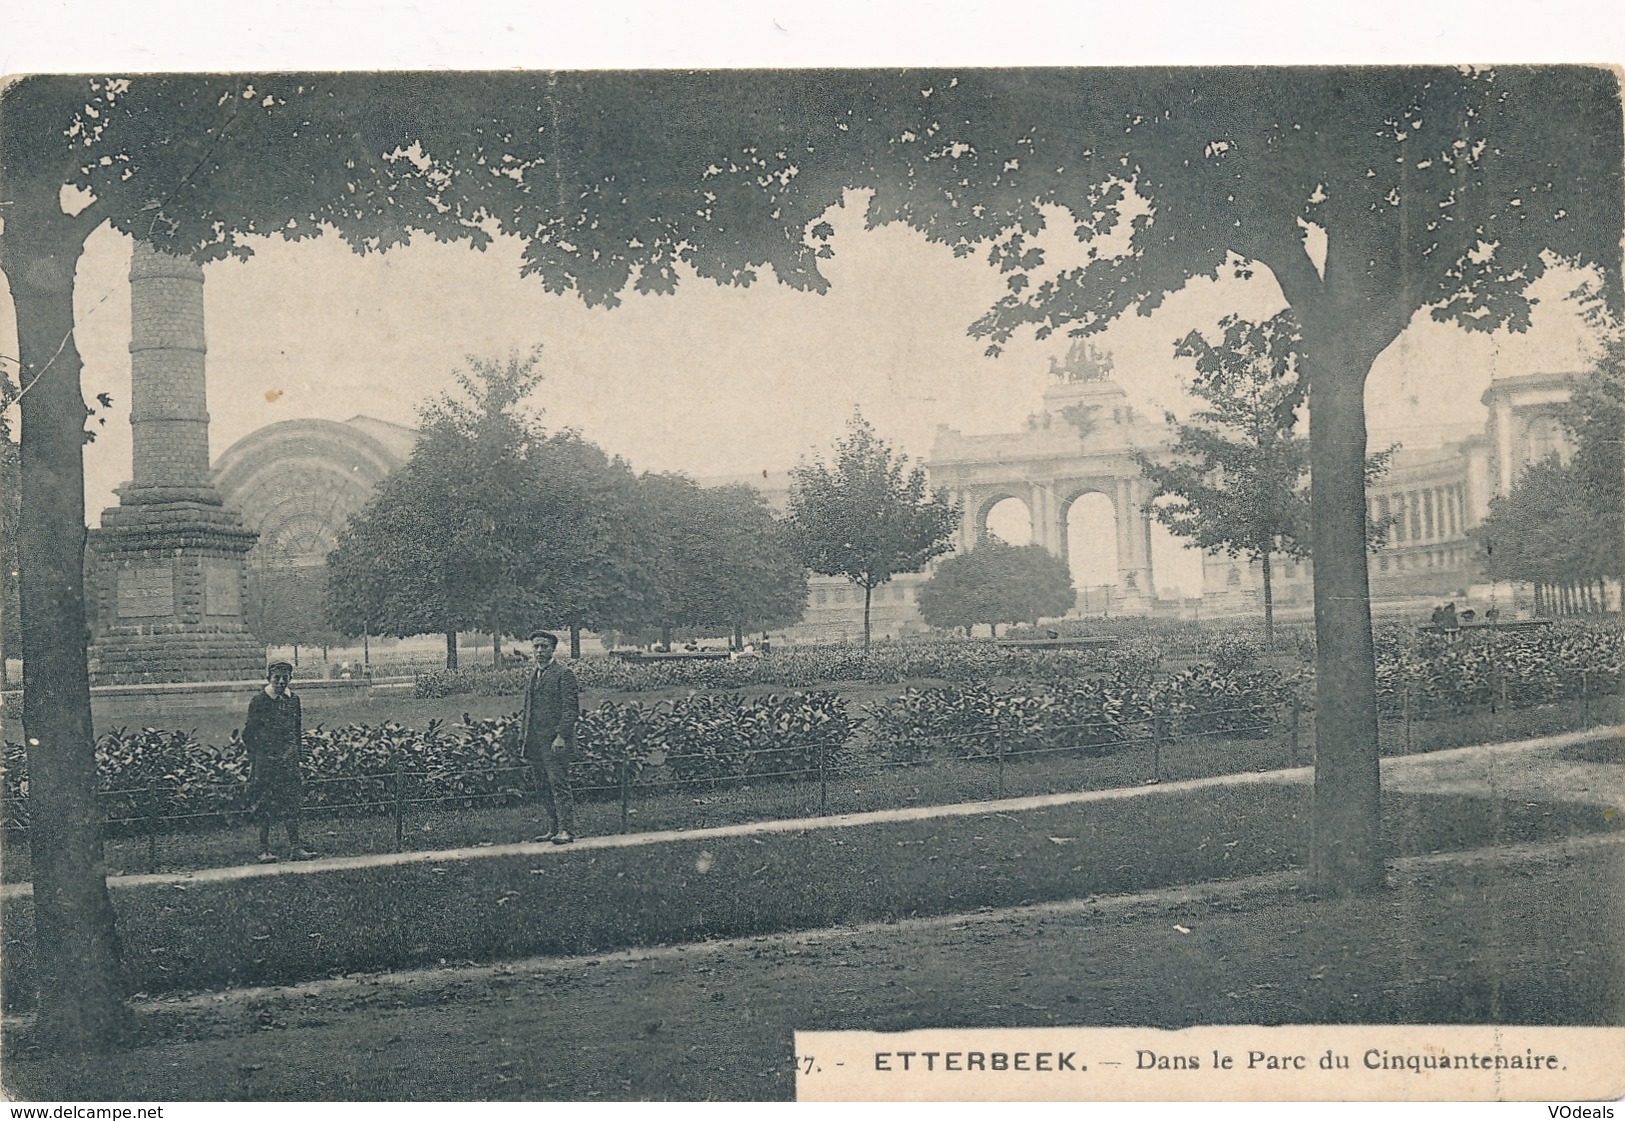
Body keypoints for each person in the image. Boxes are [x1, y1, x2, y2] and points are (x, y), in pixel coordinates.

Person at [244, 661, 312, 862]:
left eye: (285, 678)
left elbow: (296, 729)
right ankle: (264, 849)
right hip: (266, 762)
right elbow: (249, 733)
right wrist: (257, 756)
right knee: (264, 804)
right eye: (277, 678)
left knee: (292, 802)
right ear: (269, 678)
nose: (281, 682)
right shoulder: (259, 701)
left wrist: (296, 755)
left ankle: (296, 848)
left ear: (290, 679)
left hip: (288, 761)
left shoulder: (294, 700)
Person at [520, 630, 581, 845]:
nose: (539, 651)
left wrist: (561, 737)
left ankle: (567, 830)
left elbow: (570, 709)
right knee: (543, 786)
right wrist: (524, 737)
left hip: (555, 743)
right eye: (536, 646)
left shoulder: (563, 674)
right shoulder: (534, 675)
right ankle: (553, 828)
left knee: (559, 785)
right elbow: (528, 709)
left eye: (544, 646)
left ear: (553, 649)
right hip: (536, 743)